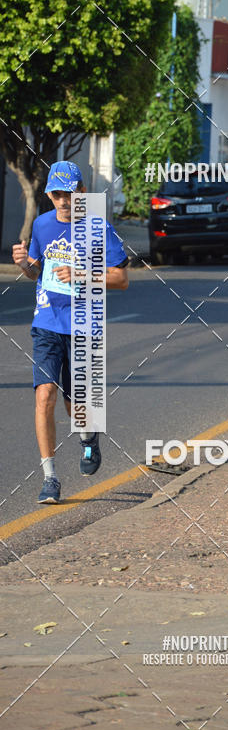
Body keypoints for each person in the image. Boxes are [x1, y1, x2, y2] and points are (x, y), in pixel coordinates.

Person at [12, 161, 129, 505]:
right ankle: (50, 477)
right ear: (49, 194)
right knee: (44, 395)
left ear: (82, 192)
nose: (64, 201)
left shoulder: (98, 227)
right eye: (58, 194)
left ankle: (89, 435)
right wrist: (24, 265)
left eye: (71, 193)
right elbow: (37, 271)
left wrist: (81, 276)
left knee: (75, 405)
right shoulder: (42, 225)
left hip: (84, 325)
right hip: (47, 322)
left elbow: (121, 279)